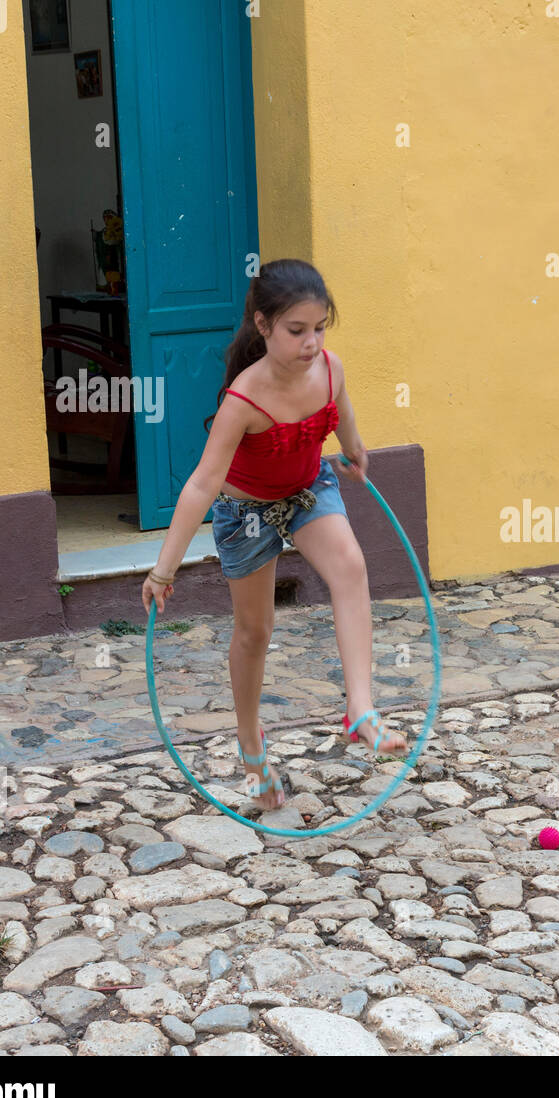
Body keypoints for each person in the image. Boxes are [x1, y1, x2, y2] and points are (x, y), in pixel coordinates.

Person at [141, 259, 407, 810]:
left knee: (351, 567)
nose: (312, 343)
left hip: (309, 490)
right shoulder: (244, 398)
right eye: (296, 330)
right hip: (247, 512)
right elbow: (200, 486)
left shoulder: (330, 367)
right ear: (263, 326)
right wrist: (163, 569)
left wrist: (355, 448)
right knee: (254, 632)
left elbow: (341, 411)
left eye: (319, 328)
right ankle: (251, 748)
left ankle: (361, 707)